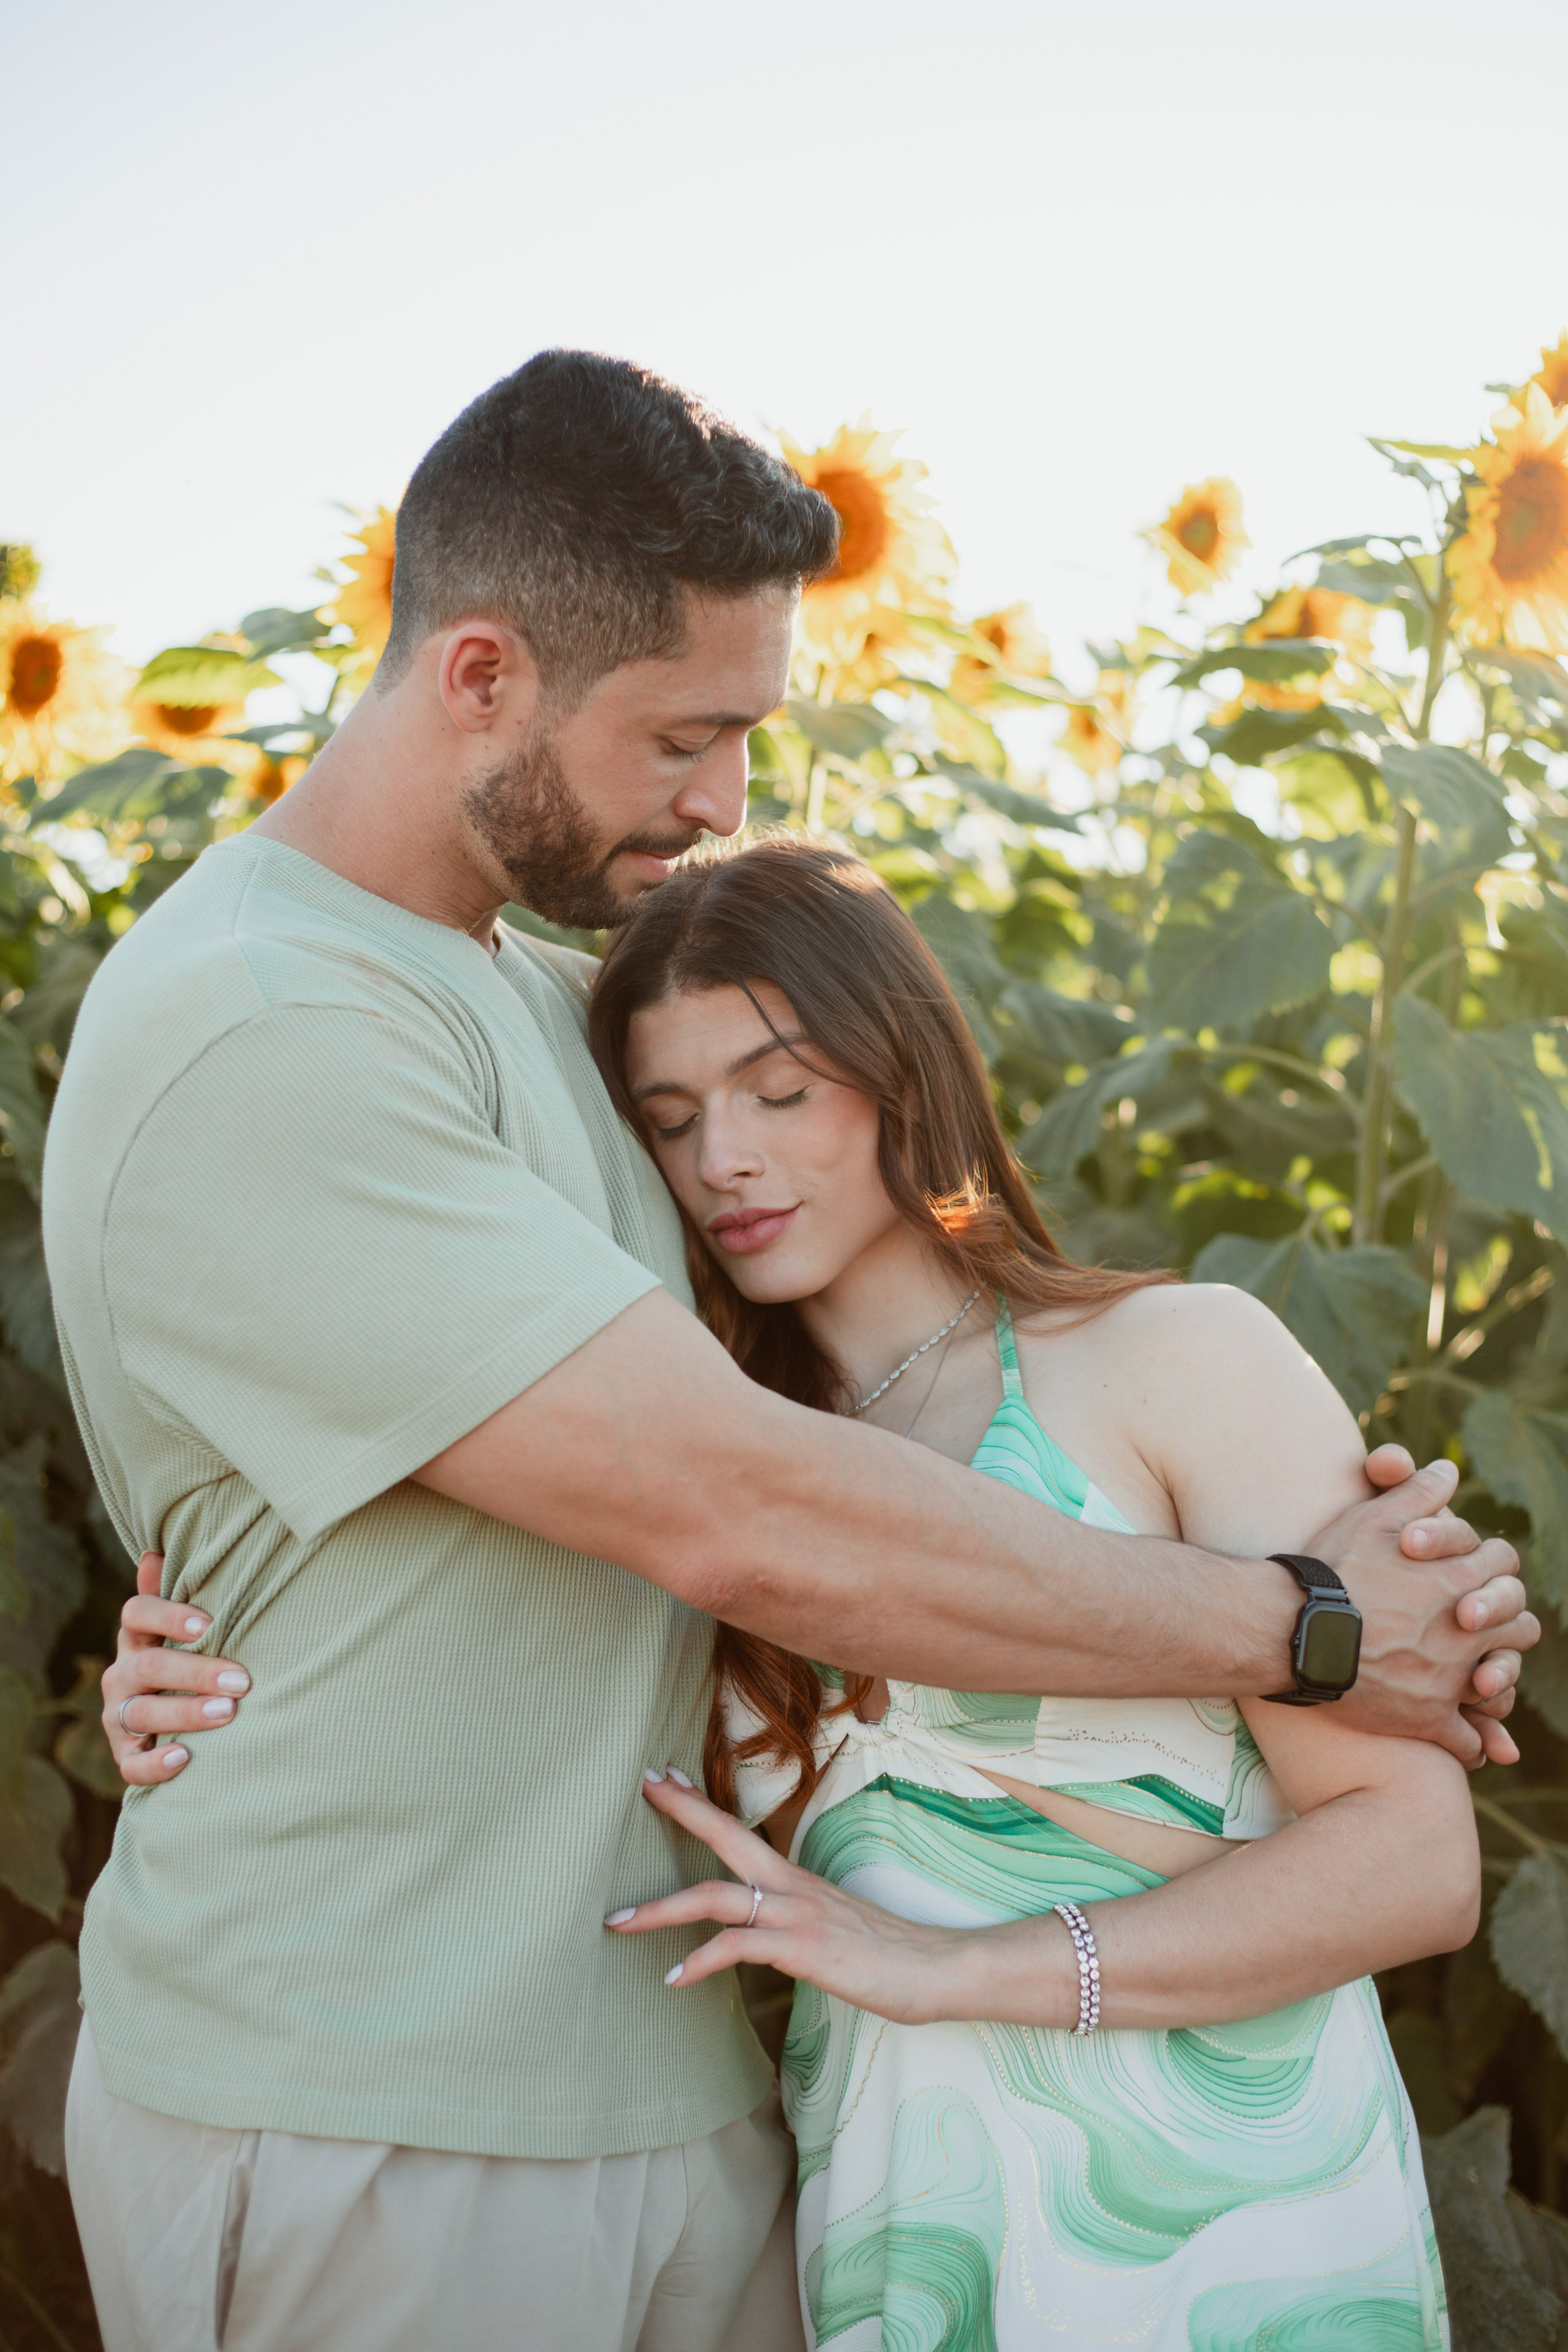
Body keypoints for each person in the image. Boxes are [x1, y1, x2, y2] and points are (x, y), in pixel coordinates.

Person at [62, 352, 1528, 2352]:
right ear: (479, 673)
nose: (723, 797)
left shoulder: (567, 1004)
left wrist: (1394, 1583)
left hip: (714, 2116)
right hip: (387, 2111)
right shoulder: (268, 1018)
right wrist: (1311, 1624)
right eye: (685, 733)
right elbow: (727, 1501)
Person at [586, 835, 1473, 2346]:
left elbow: (1412, 1862)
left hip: (1232, 2235)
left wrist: (959, 1969)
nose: (721, 1157)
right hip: (900, 2241)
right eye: (670, 1122)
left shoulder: (1172, 1360)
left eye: (780, 1092)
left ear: (900, 1070)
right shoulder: (718, 1476)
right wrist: (166, 1684)